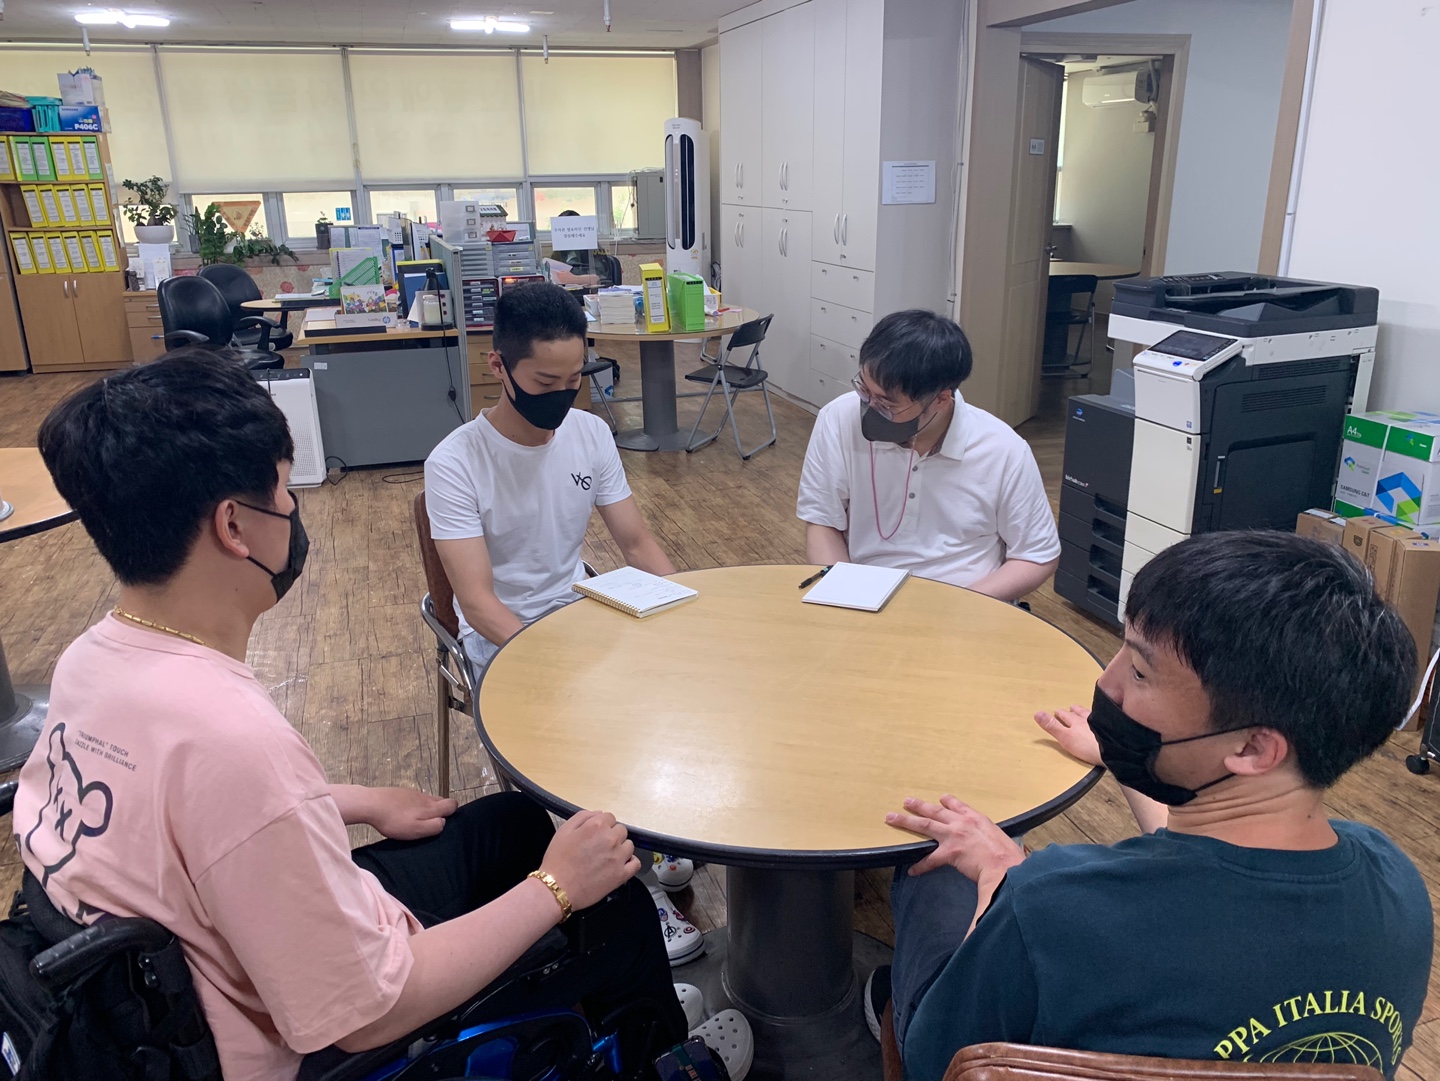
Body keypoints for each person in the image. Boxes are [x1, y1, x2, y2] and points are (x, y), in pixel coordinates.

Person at [15, 352, 724, 1081]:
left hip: (188, 967)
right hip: (306, 1031)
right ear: (234, 525)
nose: (292, 509)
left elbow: (185, 826)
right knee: (612, 911)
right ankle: (661, 1056)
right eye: (284, 490)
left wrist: (353, 801)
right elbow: (367, 1014)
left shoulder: (91, 660)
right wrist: (555, 888)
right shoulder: (229, 735)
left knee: (512, 825)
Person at [868, 530, 1432, 1081]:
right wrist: (1123, 758)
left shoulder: (1047, 903)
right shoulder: (1397, 886)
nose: (1107, 683)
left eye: (1139, 671)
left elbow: (941, 1064)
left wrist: (999, 882)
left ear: (1253, 749)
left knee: (936, 868)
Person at [422, 282, 703, 964]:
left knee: (675, 690)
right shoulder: (456, 462)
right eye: (546, 382)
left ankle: (646, 834)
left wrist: (691, 612)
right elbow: (477, 602)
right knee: (590, 726)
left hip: (582, 612)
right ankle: (638, 894)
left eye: (574, 378)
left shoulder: (590, 433)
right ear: (498, 366)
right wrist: (559, 657)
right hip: (506, 637)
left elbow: (635, 542)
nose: (562, 395)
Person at [796, 310, 1060, 602]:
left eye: (887, 403)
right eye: (865, 390)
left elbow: (1037, 555)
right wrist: (844, 595)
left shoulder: (1002, 449)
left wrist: (960, 607)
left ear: (941, 399)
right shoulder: (838, 419)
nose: (870, 407)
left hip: (968, 602)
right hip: (866, 594)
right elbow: (823, 522)